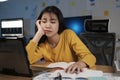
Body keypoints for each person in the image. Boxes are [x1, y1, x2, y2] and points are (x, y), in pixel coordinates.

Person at [26, 6, 96, 74]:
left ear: (59, 24)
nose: (47, 25)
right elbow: (27, 60)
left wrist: (80, 64)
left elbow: (90, 57)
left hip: (72, 75)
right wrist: (39, 33)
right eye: (44, 22)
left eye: (52, 22)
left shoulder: (68, 34)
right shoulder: (43, 45)